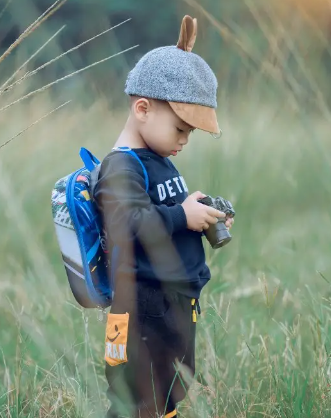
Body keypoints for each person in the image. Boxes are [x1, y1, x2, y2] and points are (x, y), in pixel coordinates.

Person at [92, 15, 234, 418]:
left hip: (170, 305)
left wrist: (199, 211)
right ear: (142, 108)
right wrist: (180, 216)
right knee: (137, 400)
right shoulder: (121, 166)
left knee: (169, 391)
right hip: (140, 309)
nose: (185, 140)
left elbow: (162, 210)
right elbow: (132, 223)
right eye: (181, 128)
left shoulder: (157, 158)